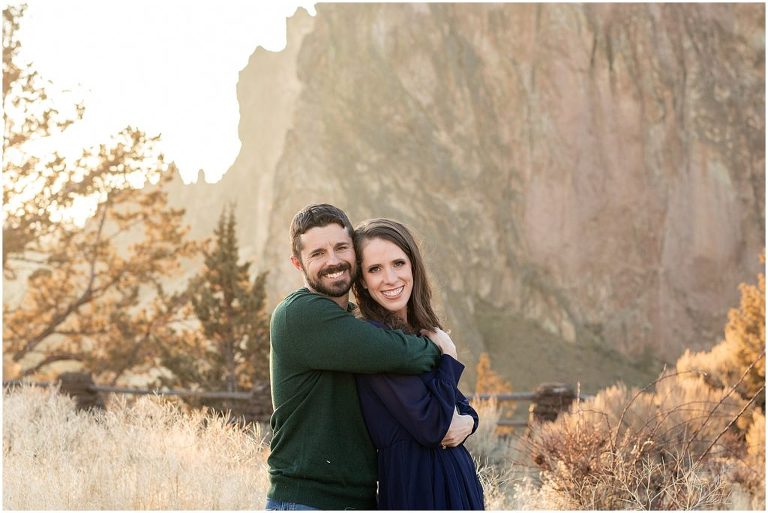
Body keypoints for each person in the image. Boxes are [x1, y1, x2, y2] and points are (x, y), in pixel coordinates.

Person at [267, 203, 464, 510]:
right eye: (317, 253)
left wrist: (470, 422)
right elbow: (399, 353)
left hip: (360, 500)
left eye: (341, 247)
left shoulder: (353, 323)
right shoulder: (299, 314)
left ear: (354, 257)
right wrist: (443, 350)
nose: (333, 261)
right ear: (297, 263)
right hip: (308, 501)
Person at [352, 218, 484, 510]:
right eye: (375, 269)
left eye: (398, 263)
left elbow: (459, 406)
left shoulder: (421, 332)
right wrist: (448, 356)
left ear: (413, 265)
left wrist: (471, 422)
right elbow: (433, 425)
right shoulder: (373, 341)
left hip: (456, 479)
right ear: (361, 279)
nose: (390, 278)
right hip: (417, 485)